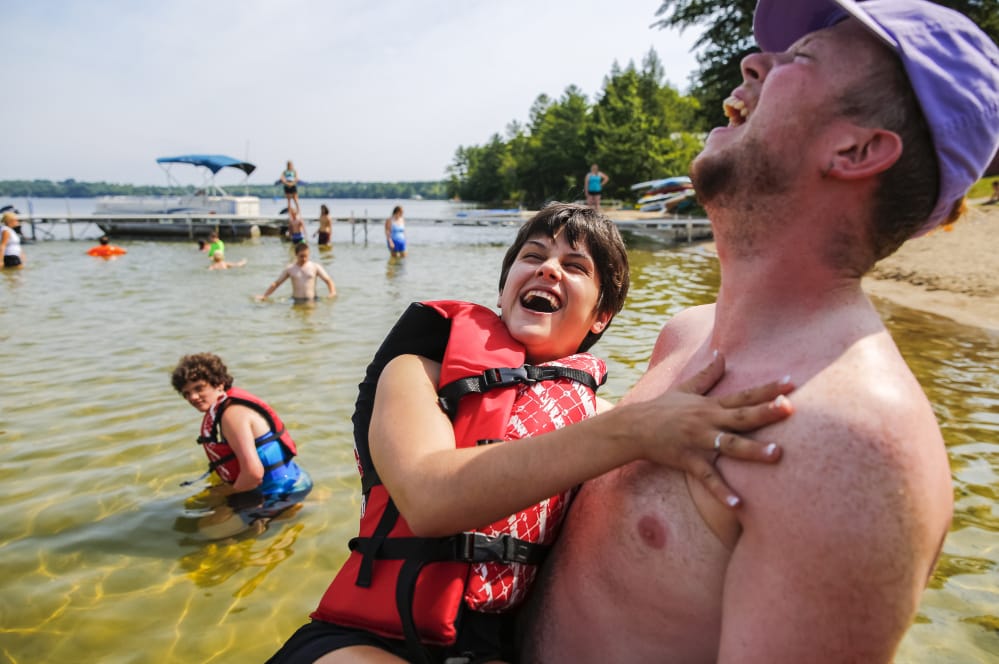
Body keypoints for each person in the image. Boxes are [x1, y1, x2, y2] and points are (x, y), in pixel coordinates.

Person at [522, 2, 999, 662]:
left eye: (798, 59)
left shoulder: (852, 444)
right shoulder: (686, 335)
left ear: (855, 150)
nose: (751, 62)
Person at [266, 203, 794, 663]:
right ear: (505, 287)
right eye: (534, 256)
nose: (548, 270)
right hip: (362, 639)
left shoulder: (602, 418)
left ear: (601, 314)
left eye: (575, 266)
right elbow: (428, 499)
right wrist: (635, 430)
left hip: (488, 647)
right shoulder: (416, 372)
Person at [171, 353, 313, 539]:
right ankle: (263, 518)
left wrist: (226, 492)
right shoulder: (226, 407)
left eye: (199, 388)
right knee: (196, 506)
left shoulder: (232, 416)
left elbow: (253, 474)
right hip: (288, 480)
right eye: (187, 393)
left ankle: (276, 516)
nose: (193, 397)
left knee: (201, 532)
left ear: (219, 383)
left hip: (284, 491)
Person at [257, 242, 336, 303]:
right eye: (301, 256)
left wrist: (332, 292)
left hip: (312, 300)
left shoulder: (315, 267)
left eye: (306, 256)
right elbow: (277, 283)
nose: (304, 259)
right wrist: (264, 295)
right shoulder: (290, 269)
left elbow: (328, 280)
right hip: (296, 301)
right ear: (296, 254)